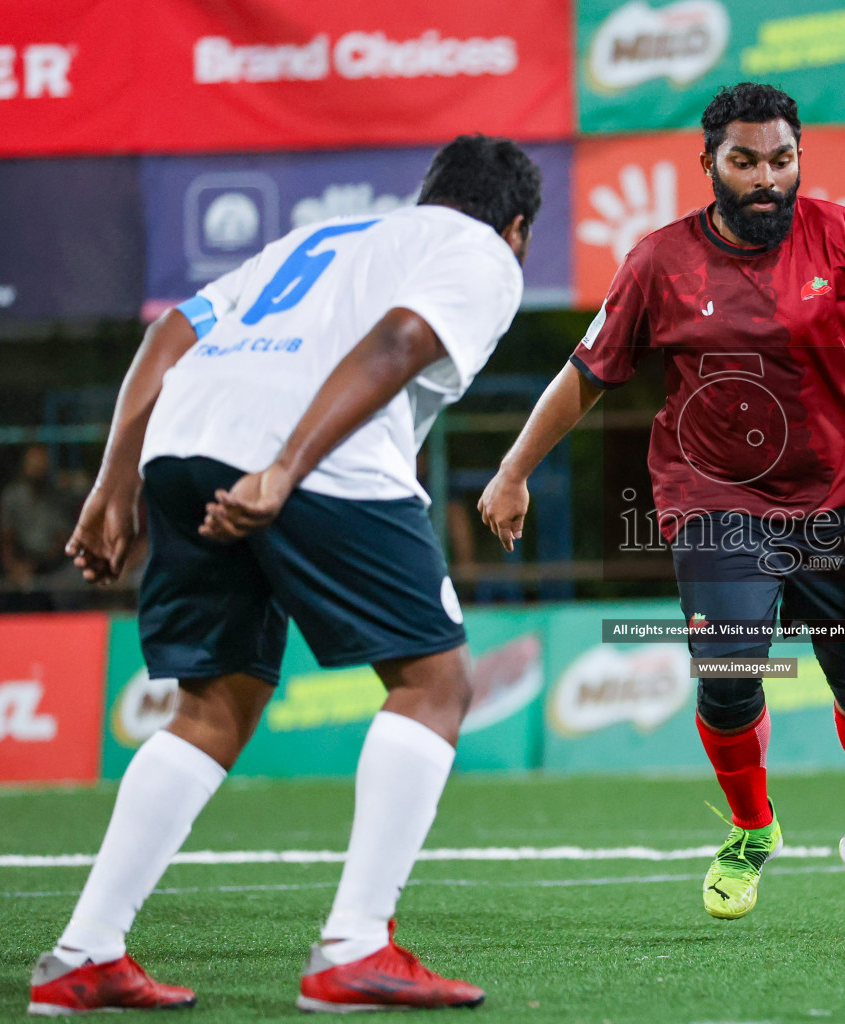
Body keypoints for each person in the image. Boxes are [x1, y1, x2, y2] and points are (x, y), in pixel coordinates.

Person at [30, 135, 541, 1015]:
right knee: (435, 682)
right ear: (520, 227)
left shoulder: (321, 240)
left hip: (181, 446)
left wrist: (113, 485)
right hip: (308, 456)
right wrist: (284, 467)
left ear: (426, 192)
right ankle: (355, 947)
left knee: (214, 704)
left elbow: (171, 332)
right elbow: (403, 340)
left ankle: (85, 952)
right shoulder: (482, 250)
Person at [479, 83, 845, 936]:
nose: (766, 178)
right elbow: (585, 375)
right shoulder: (659, 263)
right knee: (727, 682)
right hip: (714, 500)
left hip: (840, 497)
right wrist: (512, 471)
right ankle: (753, 830)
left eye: (782, 160)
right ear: (710, 165)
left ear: (800, 160)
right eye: (746, 161)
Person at [0, 445, 76, 604]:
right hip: (21, 561)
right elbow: (6, 539)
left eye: (40, 467)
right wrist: (14, 566)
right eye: (32, 466)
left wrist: (36, 566)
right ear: (24, 468)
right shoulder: (12, 496)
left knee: (71, 583)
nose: (36, 471)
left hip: (53, 565)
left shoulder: (56, 497)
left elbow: (62, 541)